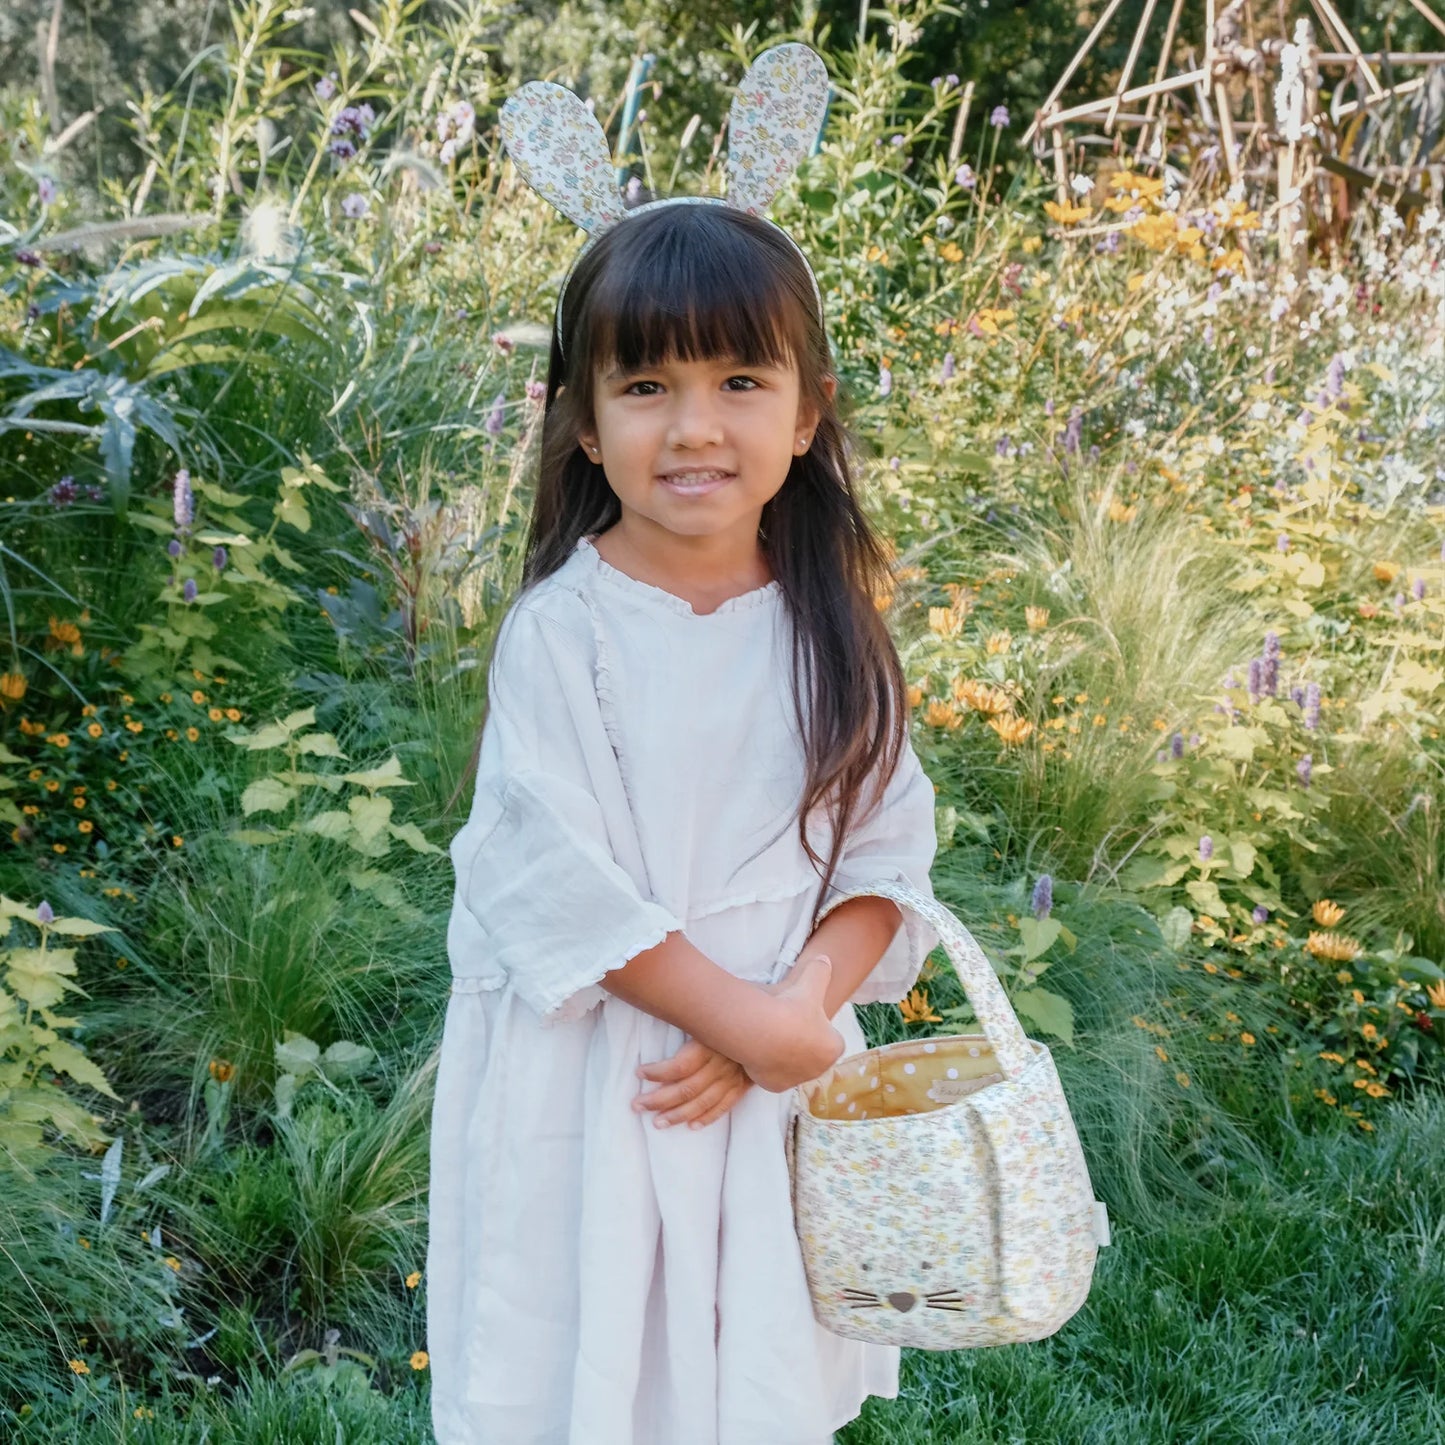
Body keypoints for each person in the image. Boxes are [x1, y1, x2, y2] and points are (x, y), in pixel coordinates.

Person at [426, 53, 941, 1445]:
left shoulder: (835, 629)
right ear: (581, 422)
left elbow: (886, 852)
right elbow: (543, 874)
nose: (694, 424)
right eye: (644, 384)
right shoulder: (565, 634)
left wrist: (791, 1014)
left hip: (769, 1053)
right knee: (585, 1353)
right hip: (606, 1066)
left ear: (806, 408)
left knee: (746, 1366)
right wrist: (739, 1018)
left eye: (736, 377)